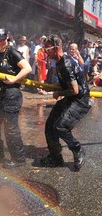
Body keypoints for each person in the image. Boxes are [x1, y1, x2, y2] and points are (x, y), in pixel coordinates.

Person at [40, 34, 93, 170]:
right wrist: (52, 86)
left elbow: (75, 90)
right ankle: (56, 157)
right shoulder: (58, 61)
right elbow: (67, 83)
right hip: (71, 97)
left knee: (60, 126)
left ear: (56, 48)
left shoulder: (66, 63)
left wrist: (58, 93)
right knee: (50, 125)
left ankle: (77, 149)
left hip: (80, 100)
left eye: (48, 49)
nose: (45, 51)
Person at [0, 27, 32, 168]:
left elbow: (27, 68)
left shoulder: (12, 52)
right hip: (1, 94)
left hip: (12, 94)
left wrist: (14, 80)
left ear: (7, 37)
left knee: (10, 127)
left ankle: (19, 159)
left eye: (2, 38)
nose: (0, 41)